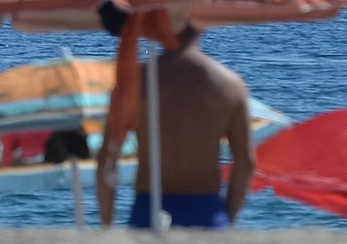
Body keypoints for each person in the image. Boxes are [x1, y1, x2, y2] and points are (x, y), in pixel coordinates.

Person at [98, 21, 255, 229]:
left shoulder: (135, 83)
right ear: (202, 26)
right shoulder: (229, 84)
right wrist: (227, 218)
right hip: (206, 210)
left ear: (159, 30)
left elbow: (108, 158)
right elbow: (245, 163)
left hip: (150, 209)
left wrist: (107, 227)